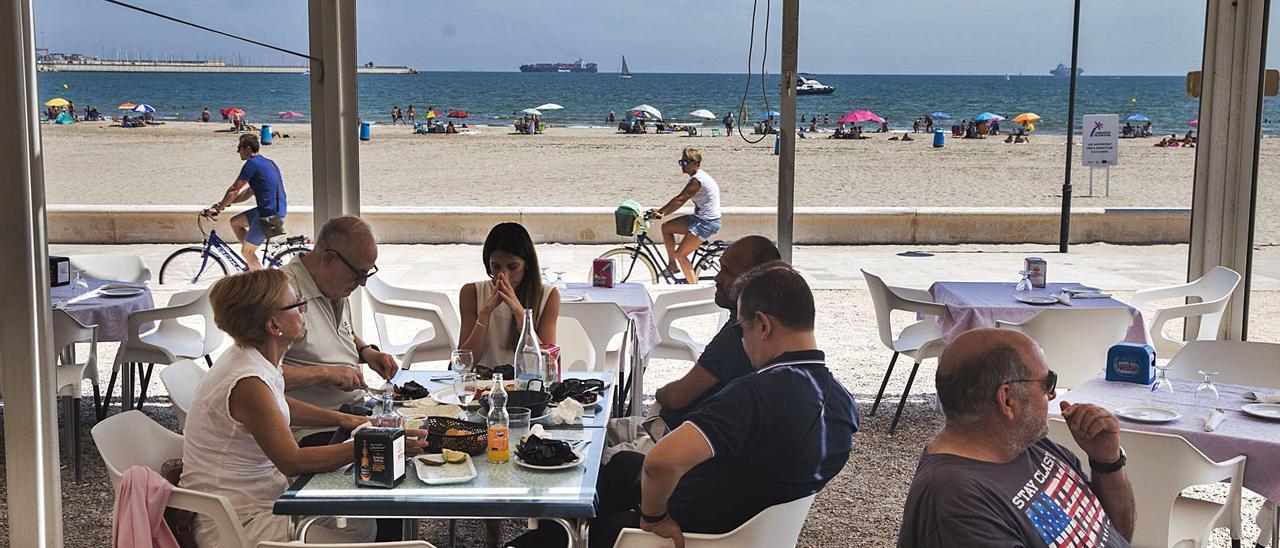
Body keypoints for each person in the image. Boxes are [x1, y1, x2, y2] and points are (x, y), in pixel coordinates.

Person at [510, 263, 857, 548]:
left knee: (550, 535)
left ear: (763, 325)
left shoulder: (754, 395)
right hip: (750, 526)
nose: (742, 340)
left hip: (692, 532)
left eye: (740, 329)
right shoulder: (843, 405)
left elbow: (661, 463)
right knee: (618, 467)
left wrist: (654, 517)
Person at [181, 268, 427, 546]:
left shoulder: (254, 357)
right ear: (274, 326)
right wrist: (377, 445)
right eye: (296, 304)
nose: (305, 309)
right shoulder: (247, 380)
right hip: (235, 521)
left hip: (267, 499)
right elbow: (292, 460)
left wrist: (348, 421)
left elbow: (278, 405)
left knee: (362, 523)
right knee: (358, 534)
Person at [897, 329, 1135, 548]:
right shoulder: (958, 502)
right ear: (1008, 399)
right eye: (1047, 382)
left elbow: (1114, 535)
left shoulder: (1026, 443)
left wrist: (1107, 463)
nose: (1052, 394)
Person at [280, 216, 401, 445]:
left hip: (353, 413)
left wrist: (367, 352)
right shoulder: (284, 297)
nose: (363, 282)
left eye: (368, 273)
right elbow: (262, 376)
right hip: (312, 430)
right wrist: (326, 373)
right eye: (359, 274)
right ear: (329, 259)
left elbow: (335, 333)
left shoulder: (333, 284)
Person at [653, 236, 781, 429]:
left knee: (614, 455)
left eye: (728, 272)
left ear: (754, 281)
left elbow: (677, 397)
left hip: (689, 438)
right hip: (705, 435)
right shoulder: (762, 323)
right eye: (720, 268)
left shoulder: (743, 332)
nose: (717, 278)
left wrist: (659, 393)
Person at [459, 222, 560, 367]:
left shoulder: (548, 295)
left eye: (513, 267)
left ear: (527, 264)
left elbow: (545, 363)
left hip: (527, 383)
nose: (504, 275)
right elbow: (464, 363)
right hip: (483, 384)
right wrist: (485, 315)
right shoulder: (471, 293)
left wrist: (519, 313)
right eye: (496, 266)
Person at [202, 133, 287, 270]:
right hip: (272, 210)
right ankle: (251, 260)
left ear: (247, 148)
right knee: (235, 222)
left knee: (245, 252)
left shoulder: (252, 164)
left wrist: (218, 209)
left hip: (269, 215)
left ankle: (261, 281)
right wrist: (223, 204)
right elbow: (247, 193)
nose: (238, 151)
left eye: (239, 148)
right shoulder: (268, 162)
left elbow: (234, 190)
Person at [648, 148, 721, 283]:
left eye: (685, 162)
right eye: (681, 161)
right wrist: (660, 211)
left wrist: (661, 213)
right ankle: (672, 265)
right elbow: (678, 199)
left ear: (696, 164)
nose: (682, 165)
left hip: (707, 223)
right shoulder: (696, 177)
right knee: (666, 228)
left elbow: (680, 200)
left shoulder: (697, 180)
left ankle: (693, 290)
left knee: (680, 255)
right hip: (699, 218)